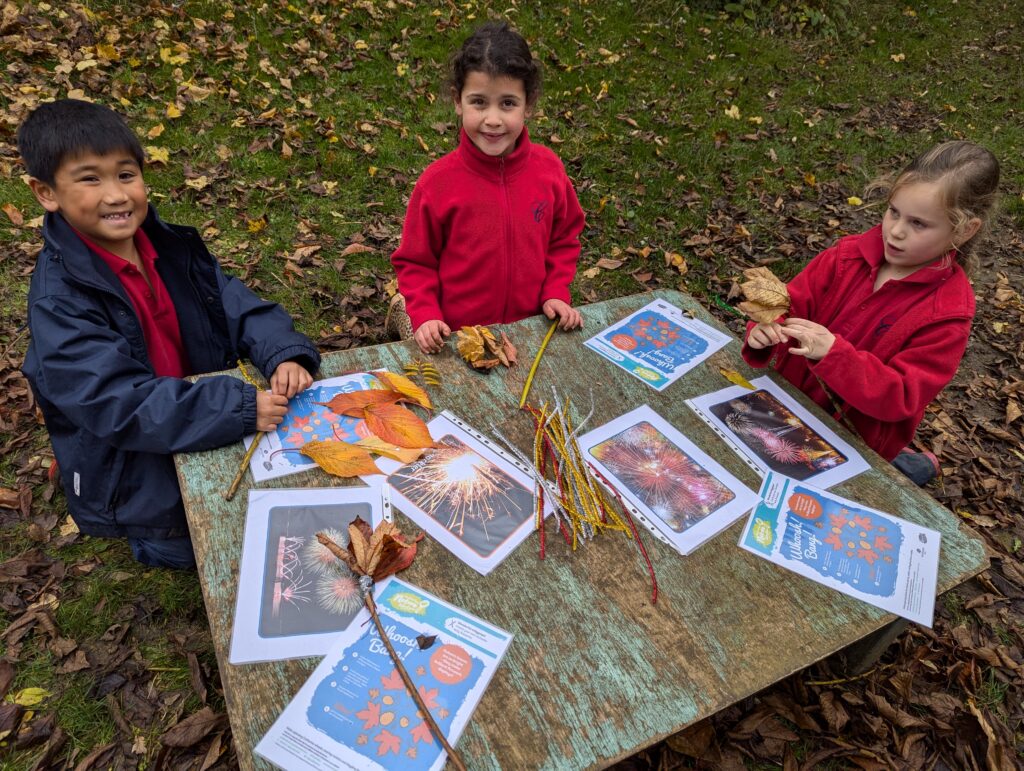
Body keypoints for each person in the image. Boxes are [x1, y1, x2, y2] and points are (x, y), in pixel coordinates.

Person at [18, 99, 321, 568]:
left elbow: (233, 302)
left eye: (125, 174)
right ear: (46, 192)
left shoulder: (164, 243)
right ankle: (148, 536)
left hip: (195, 408)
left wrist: (283, 352)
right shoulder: (59, 300)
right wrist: (235, 407)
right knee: (212, 545)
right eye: (90, 179)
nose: (117, 195)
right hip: (134, 467)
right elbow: (117, 402)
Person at [742, 140, 999, 486]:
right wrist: (763, 334)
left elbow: (903, 396)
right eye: (894, 212)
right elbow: (791, 307)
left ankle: (909, 465)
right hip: (785, 407)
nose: (896, 231)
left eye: (919, 224)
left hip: (855, 443)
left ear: (965, 229)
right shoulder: (845, 256)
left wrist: (835, 354)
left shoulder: (948, 313)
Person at [390, 21, 586, 355]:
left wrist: (555, 291)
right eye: (479, 102)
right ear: (458, 100)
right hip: (455, 335)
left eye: (508, 103)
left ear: (529, 103)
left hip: (530, 329)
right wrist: (426, 315)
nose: (493, 119)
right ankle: (403, 313)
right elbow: (415, 262)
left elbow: (564, 237)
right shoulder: (437, 184)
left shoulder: (549, 171)